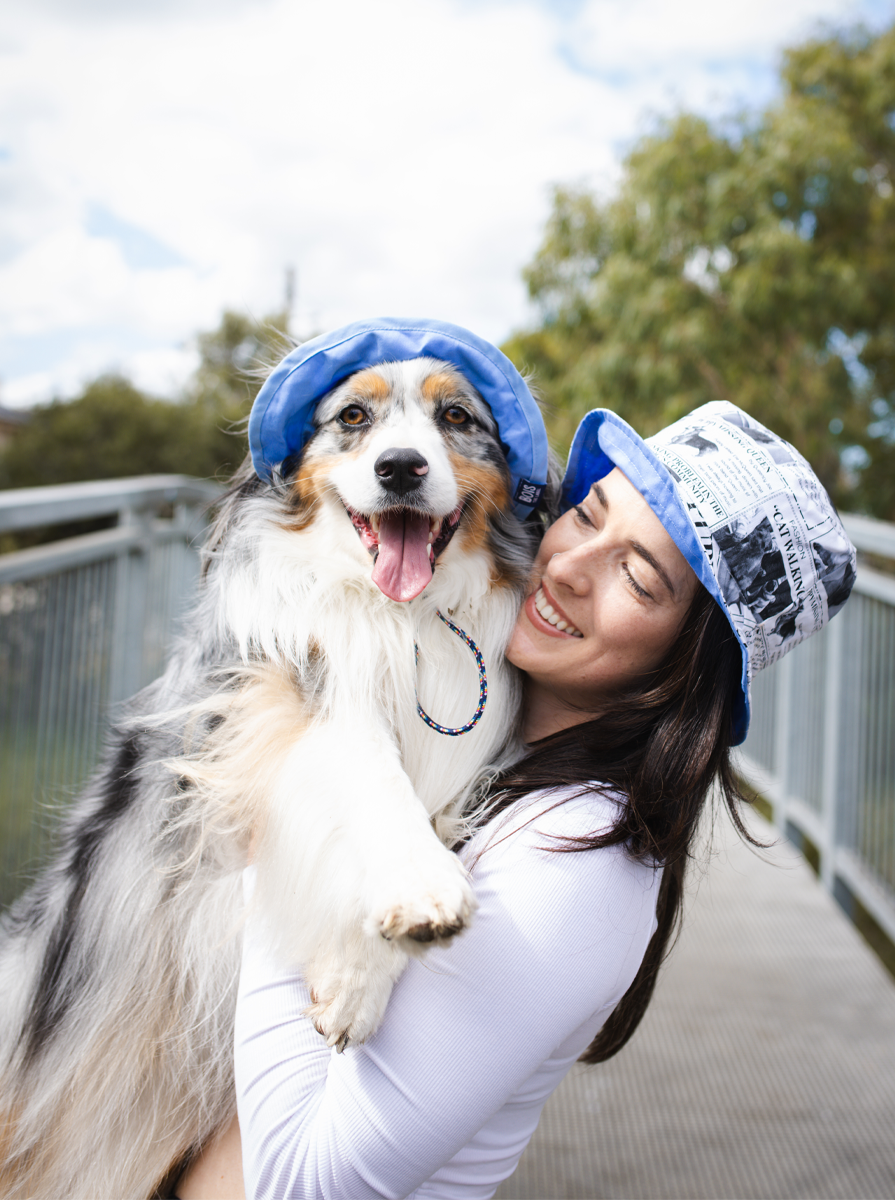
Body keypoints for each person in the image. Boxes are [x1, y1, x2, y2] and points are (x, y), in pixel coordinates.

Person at [177, 399, 855, 1200]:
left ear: (688, 664)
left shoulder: (580, 870)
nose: (566, 567)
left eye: (637, 576)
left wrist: (277, 823)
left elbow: (304, 1185)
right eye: (587, 515)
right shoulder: (486, 747)